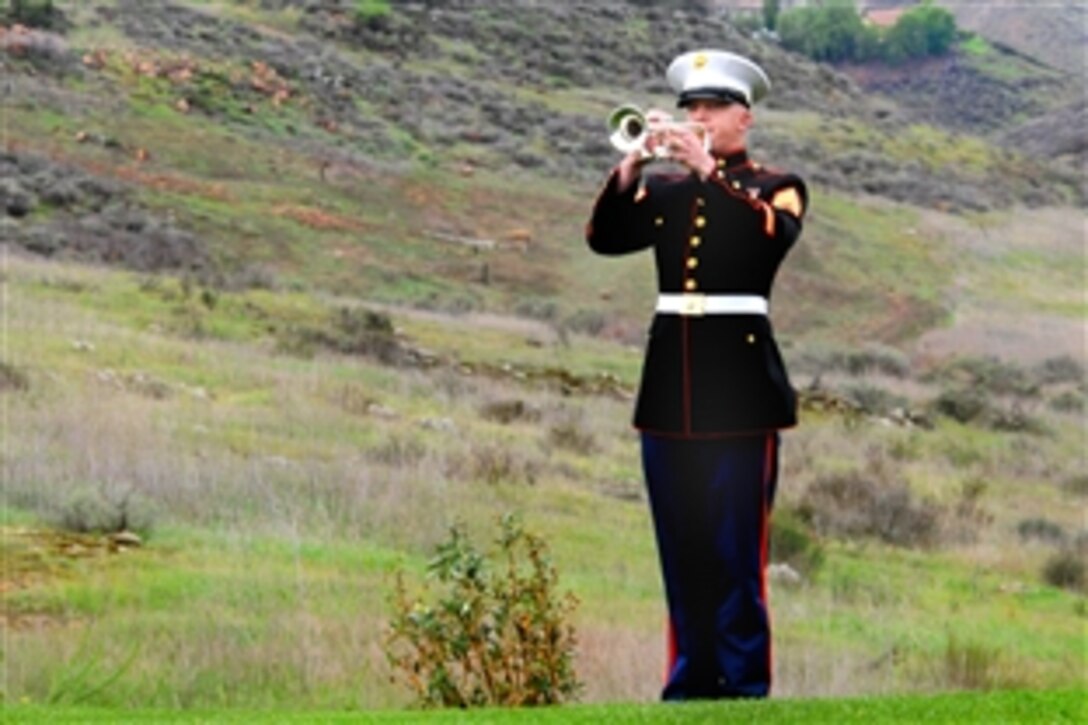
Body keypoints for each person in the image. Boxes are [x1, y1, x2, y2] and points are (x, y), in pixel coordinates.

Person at [585, 49, 807, 700]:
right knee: (680, 550)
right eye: (691, 109)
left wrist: (708, 170)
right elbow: (606, 236)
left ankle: (743, 686)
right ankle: (689, 683)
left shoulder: (777, 185)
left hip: (741, 396)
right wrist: (631, 166)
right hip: (669, 395)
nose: (699, 118)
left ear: (746, 117)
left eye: (711, 108)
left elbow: (767, 237)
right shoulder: (668, 191)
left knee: (738, 553)